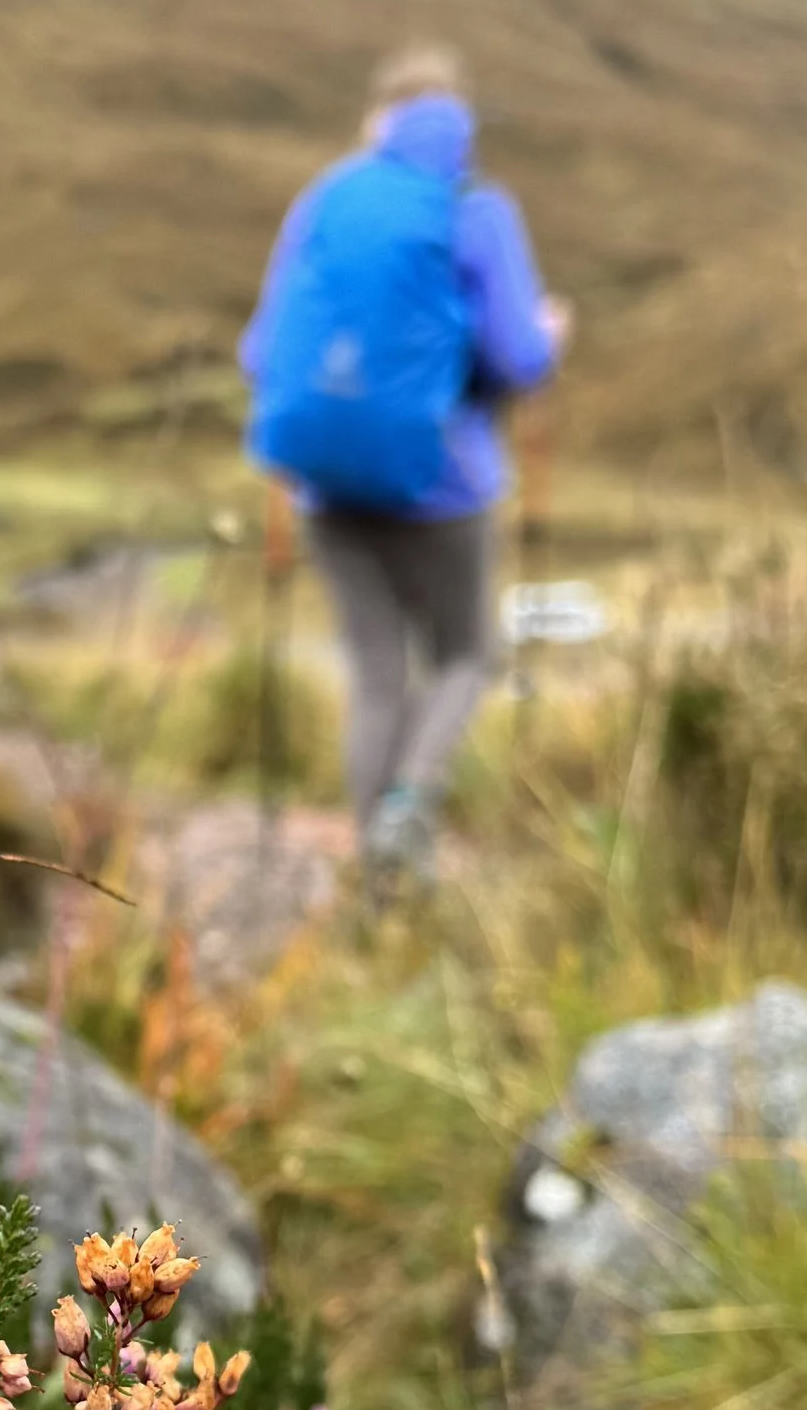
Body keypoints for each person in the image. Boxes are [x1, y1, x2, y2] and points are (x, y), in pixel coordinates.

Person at [240, 45, 569, 887]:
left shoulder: (326, 198)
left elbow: (262, 350)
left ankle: (375, 885)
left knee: (378, 675)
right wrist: (550, 336)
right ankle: (407, 809)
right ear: (457, 122)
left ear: (378, 118)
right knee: (463, 654)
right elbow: (517, 357)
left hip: (325, 481)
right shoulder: (476, 207)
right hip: (444, 484)